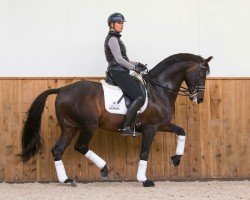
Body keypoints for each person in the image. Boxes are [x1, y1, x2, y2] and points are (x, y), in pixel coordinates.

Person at [104, 13, 147, 136]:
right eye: (119, 23)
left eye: (122, 23)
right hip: (117, 72)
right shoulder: (112, 39)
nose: (121, 25)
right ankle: (126, 127)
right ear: (112, 24)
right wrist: (135, 68)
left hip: (120, 70)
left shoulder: (116, 38)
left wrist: (138, 64)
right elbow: (119, 60)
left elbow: (124, 60)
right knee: (139, 96)